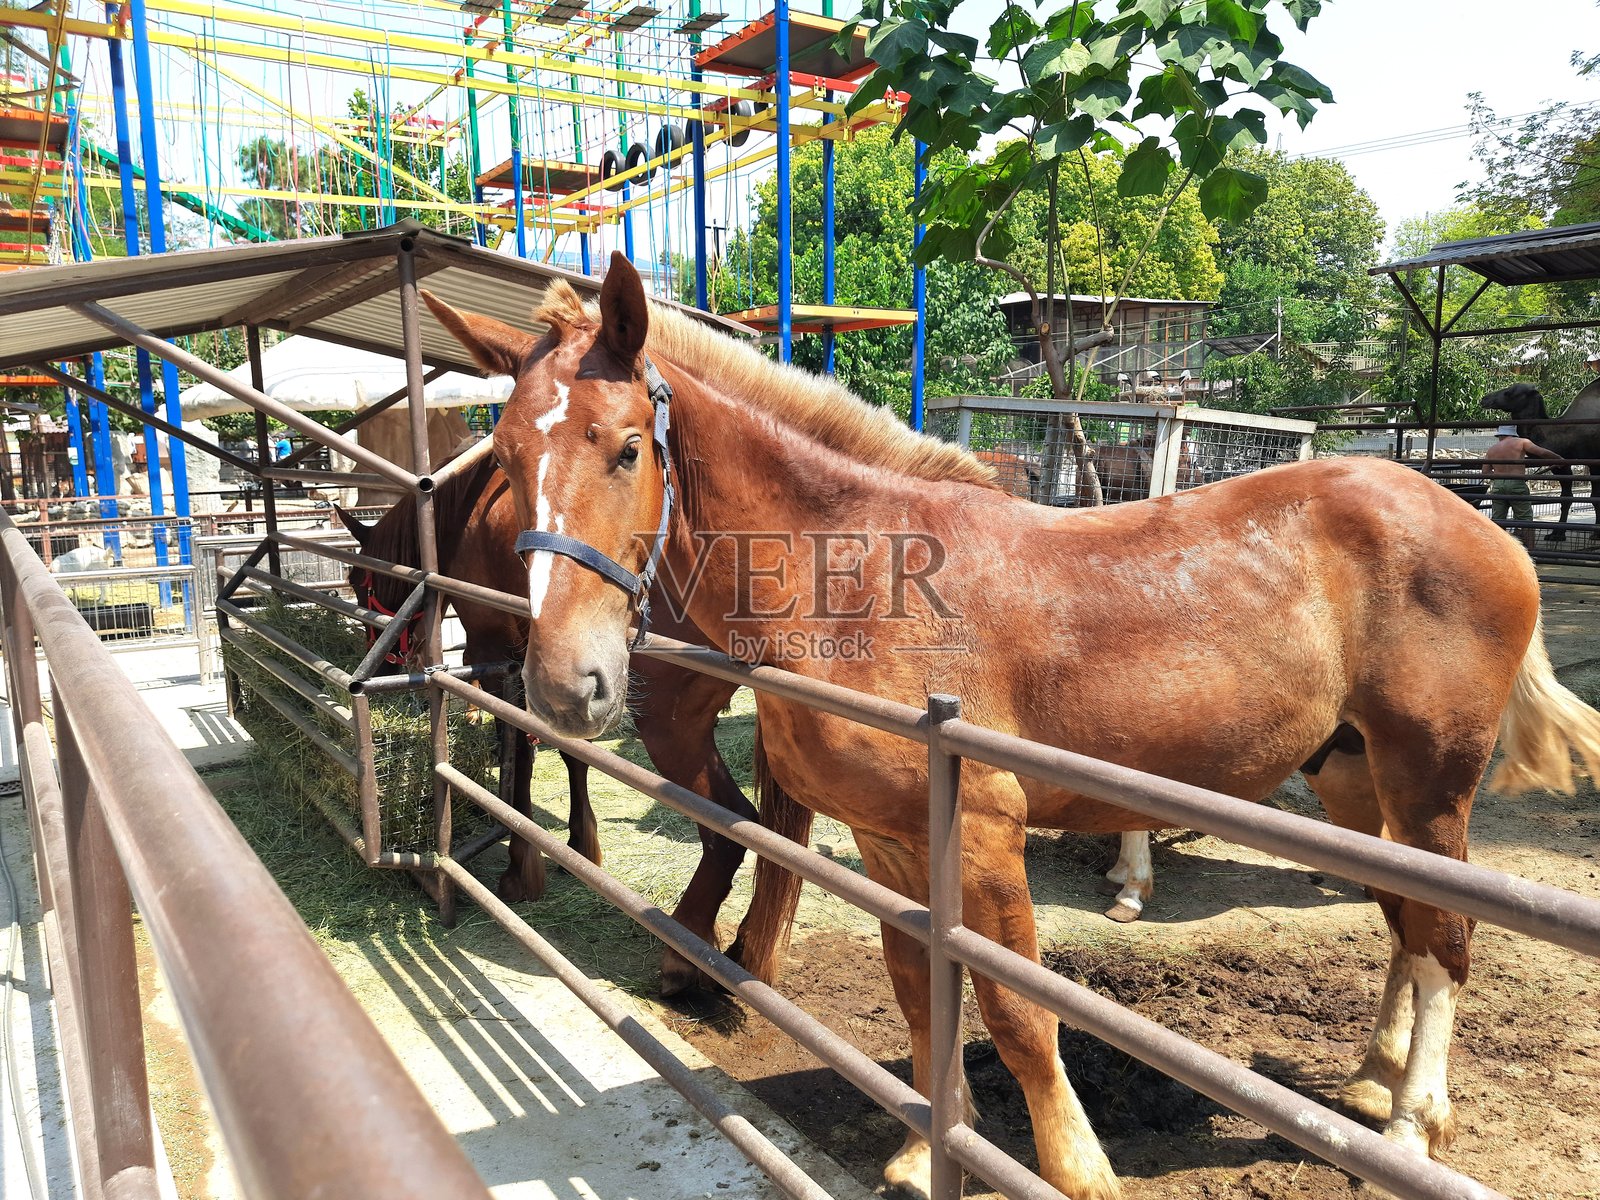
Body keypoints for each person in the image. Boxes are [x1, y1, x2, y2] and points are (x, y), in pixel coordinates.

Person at [1483, 424, 1562, 549]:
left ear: (1500, 435)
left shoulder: (1492, 449)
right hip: (1516, 484)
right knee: (1525, 520)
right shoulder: (1522, 442)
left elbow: (1485, 472)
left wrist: (1501, 474)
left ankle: (1498, 550)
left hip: (1498, 486)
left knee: (1498, 520)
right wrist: (1559, 459)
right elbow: (1542, 452)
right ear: (1514, 434)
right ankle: (1531, 552)